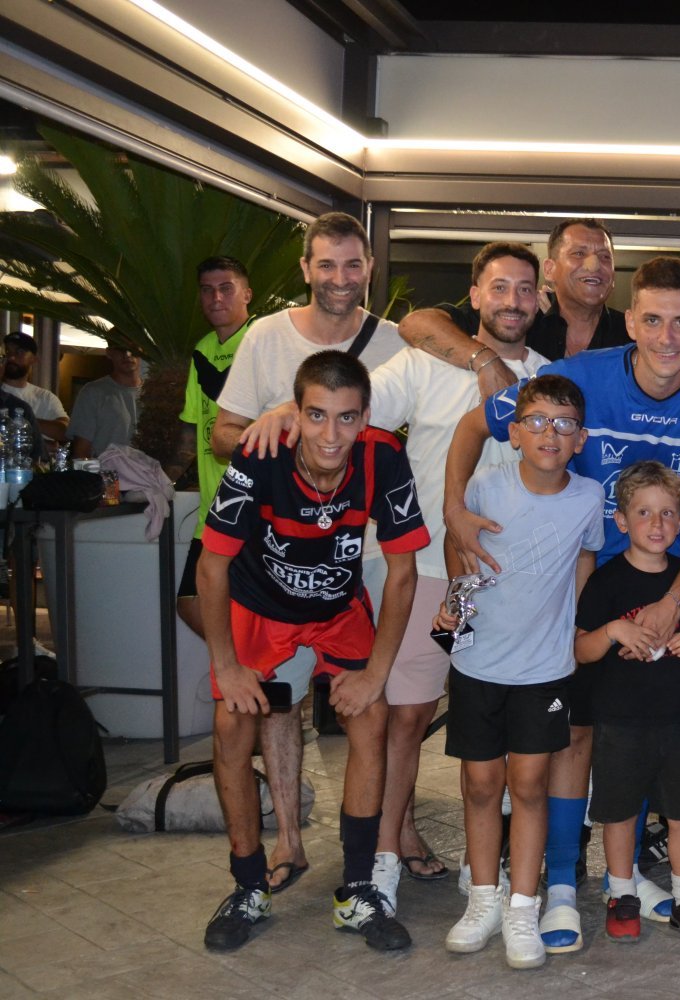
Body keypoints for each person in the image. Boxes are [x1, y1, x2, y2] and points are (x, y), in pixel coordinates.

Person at [237, 241, 556, 906]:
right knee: (406, 717)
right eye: (499, 287)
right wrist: (286, 413)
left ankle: (488, 861)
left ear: (539, 300)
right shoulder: (425, 364)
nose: (512, 301)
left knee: (499, 721)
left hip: (512, 586)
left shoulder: (548, 381)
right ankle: (382, 854)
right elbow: (346, 413)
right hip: (428, 573)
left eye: (525, 289)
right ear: (474, 295)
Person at [444, 255, 680, 952]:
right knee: (574, 735)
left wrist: (675, 601)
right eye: (653, 320)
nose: (667, 337)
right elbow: (472, 427)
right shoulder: (579, 378)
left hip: (659, 589)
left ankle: (623, 876)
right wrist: (455, 510)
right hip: (576, 587)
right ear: (629, 319)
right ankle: (557, 883)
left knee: (637, 733)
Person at [198, 351, 427, 953]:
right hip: (259, 606)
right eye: (317, 416)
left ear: (366, 417)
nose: (331, 435)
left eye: (347, 418)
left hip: (336, 608)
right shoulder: (261, 453)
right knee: (231, 723)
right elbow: (211, 566)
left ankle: (357, 891)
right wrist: (227, 666)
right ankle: (248, 888)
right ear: (295, 414)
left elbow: (402, 573)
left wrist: (375, 673)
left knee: (371, 714)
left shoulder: (383, 455)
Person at [211, 211, 408, 892]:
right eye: (326, 264)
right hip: (273, 550)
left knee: (378, 698)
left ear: (369, 269)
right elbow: (222, 435)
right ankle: (288, 840)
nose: (340, 278)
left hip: (364, 550)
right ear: (305, 269)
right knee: (274, 701)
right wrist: (271, 421)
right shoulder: (267, 335)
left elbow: (410, 429)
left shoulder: (394, 341)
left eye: (353, 265)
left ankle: (386, 841)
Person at [436, 374, 604, 966]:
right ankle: (484, 898)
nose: (549, 433)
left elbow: (584, 559)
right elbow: (457, 543)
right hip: (478, 663)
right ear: (513, 433)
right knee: (482, 785)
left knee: (530, 785)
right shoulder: (484, 486)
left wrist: (577, 627)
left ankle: (523, 906)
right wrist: (456, 594)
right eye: (536, 421)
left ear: (580, 438)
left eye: (564, 424)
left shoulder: (589, 498)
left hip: (544, 669)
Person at [575, 460, 680, 945]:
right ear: (621, 521)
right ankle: (622, 894)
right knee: (619, 814)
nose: (656, 524)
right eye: (643, 512)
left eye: (667, 514)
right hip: (618, 721)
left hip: (675, 720)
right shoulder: (606, 581)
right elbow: (580, 649)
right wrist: (613, 630)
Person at [398, 218, 628, 369]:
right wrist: (485, 361)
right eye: (578, 253)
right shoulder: (519, 315)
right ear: (549, 269)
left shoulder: (632, 334)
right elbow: (415, 325)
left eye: (605, 257)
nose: (593, 265)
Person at [171, 256, 255, 638]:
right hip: (212, 509)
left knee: (248, 610)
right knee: (191, 602)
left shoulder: (261, 339)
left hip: (253, 507)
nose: (215, 298)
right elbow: (191, 432)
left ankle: (244, 667)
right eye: (207, 290)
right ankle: (242, 666)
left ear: (247, 294)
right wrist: (164, 480)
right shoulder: (202, 349)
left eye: (226, 288)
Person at [69, 346, 140, 458]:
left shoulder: (156, 393)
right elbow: (81, 450)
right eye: (120, 348)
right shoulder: (93, 392)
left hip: (150, 468)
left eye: (133, 348)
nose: (127, 354)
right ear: (109, 353)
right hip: (107, 468)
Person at [2, 331, 68, 443]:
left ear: (33, 359)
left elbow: (65, 431)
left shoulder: (46, 397)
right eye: (8, 352)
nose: (11, 357)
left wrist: (23, 421)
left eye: (19, 352)